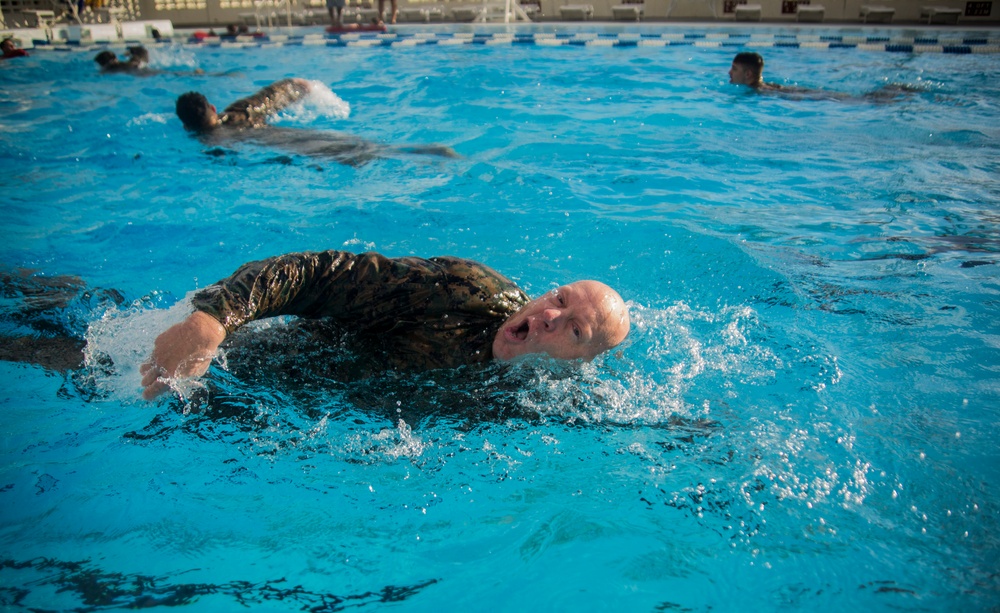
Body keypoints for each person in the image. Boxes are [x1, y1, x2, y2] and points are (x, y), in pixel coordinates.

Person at [139, 250, 630, 400]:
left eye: (574, 330)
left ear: (580, 365)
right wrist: (212, 321)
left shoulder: (546, 405)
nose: (548, 314)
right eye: (559, 298)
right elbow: (321, 274)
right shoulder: (458, 293)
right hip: (231, 365)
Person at [175, 79, 457, 165]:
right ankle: (429, 150)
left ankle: (425, 156)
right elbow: (269, 97)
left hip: (295, 150)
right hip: (298, 136)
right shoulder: (238, 113)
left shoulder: (211, 145)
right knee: (364, 147)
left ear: (186, 126)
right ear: (212, 107)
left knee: (357, 156)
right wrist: (297, 86)